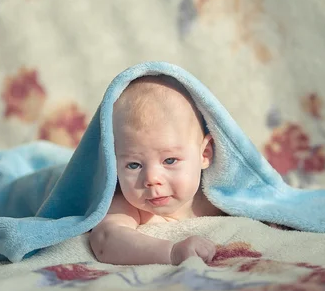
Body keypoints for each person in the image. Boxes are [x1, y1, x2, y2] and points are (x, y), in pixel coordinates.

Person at [89, 75, 227, 266]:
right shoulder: (129, 207)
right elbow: (105, 239)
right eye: (134, 165)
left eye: (169, 160)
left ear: (204, 154)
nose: (152, 179)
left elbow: (262, 203)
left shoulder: (220, 200)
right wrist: (172, 253)